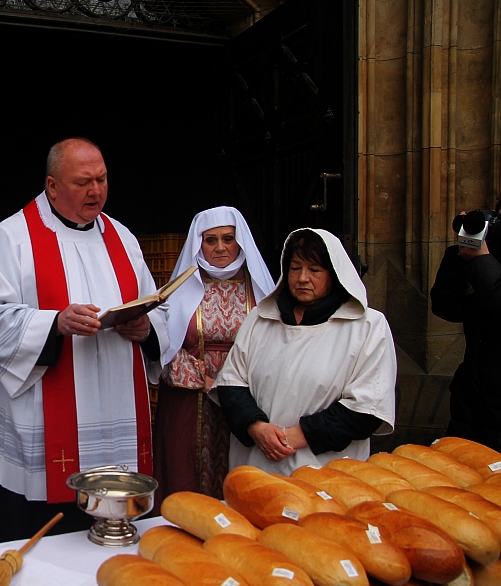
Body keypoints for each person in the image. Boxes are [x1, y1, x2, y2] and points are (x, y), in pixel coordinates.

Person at [0, 137, 167, 543]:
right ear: (52, 186)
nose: (96, 191)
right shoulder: (12, 238)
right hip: (43, 414)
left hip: (115, 406)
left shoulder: (123, 239)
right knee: (40, 537)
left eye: (102, 179)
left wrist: (146, 329)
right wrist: (54, 323)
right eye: (83, 182)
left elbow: (155, 308)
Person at [213, 228, 397, 475]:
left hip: (325, 472)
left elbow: (368, 407)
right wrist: (256, 426)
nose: (302, 278)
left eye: (314, 270)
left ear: (334, 275)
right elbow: (231, 383)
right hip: (257, 464)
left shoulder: (366, 327)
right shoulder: (260, 319)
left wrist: (297, 436)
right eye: (295, 268)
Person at [153, 206, 276, 499]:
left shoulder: (258, 289)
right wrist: (203, 380)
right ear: (199, 244)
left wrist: (230, 386)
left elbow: (273, 342)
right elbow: (163, 341)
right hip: (190, 395)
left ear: (240, 242)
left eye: (228, 239)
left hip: (245, 394)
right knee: (186, 475)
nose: (220, 247)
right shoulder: (181, 288)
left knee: (241, 475)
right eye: (210, 240)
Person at [430, 205, 501, 451]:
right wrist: (461, 253)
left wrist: (482, 260)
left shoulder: (487, 265)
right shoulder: (484, 263)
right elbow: (446, 307)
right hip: (472, 401)